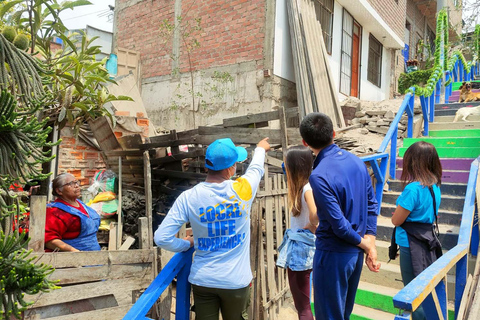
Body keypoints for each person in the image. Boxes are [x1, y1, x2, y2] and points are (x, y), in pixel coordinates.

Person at [154, 137, 270, 320]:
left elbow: (161, 238)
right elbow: (256, 169)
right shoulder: (243, 190)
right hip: (235, 282)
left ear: (207, 166)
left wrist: (187, 244)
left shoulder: (189, 197)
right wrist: (261, 149)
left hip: (203, 280)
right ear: (230, 169)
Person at [299, 112, 380, 320]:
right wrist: (370, 239)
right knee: (343, 314)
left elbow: (339, 225)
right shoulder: (357, 162)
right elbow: (372, 204)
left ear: (305, 142)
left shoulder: (318, 175)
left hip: (334, 254)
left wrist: (366, 243)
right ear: (333, 134)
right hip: (354, 256)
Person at [391, 141, 442, 320]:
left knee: (411, 290)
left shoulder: (412, 189)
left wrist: (396, 214)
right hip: (426, 242)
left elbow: (396, 220)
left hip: (409, 245)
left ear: (413, 162)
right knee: (422, 287)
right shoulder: (435, 187)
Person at [276, 146, 317, 320]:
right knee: (302, 304)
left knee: (303, 306)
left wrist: (310, 226)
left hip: (301, 246)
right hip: (299, 246)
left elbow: (317, 214)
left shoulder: (307, 188)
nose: (284, 167)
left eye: (286, 164)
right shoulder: (301, 187)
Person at [45, 173, 101, 252]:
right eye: (70, 184)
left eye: (76, 182)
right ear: (59, 191)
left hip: (95, 257)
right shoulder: (54, 211)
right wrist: (74, 252)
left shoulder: (81, 204)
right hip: (74, 260)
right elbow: (49, 240)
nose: (76, 186)